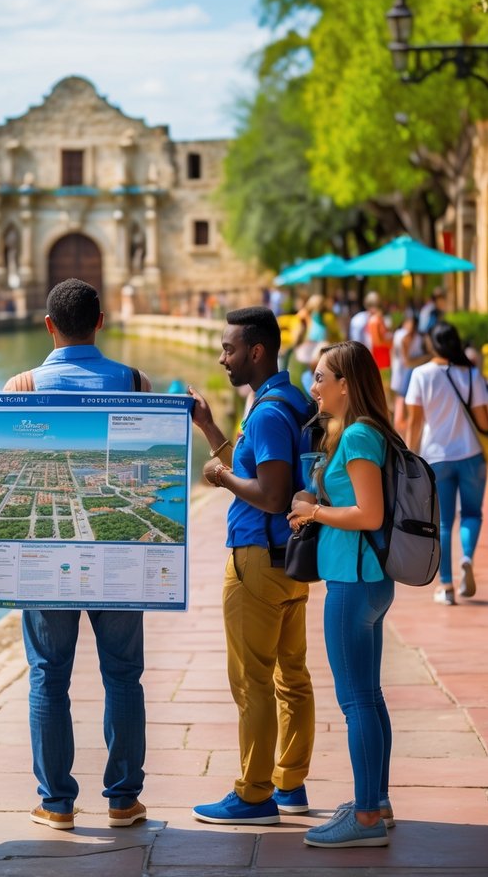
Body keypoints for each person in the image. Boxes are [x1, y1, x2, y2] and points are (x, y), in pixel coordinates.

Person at [2, 278, 152, 831]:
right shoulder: (135, 381)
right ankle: (123, 800)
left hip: (45, 559)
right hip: (119, 558)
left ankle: (57, 803)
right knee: (122, 677)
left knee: (48, 675)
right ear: (101, 322)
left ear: (48, 326)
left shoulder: (24, 386)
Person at [188, 306, 315, 826]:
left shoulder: (265, 413)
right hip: (291, 559)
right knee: (292, 677)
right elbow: (255, 468)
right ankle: (289, 783)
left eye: (229, 349)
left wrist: (219, 478)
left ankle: (254, 793)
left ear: (256, 351)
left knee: (252, 683)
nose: (223, 358)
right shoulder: (290, 400)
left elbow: (270, 492)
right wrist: (209, 426)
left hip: (257, 562)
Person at [288, 340, 398, 849]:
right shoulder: (363, 431)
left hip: (354, 582)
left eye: (320, 377)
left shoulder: (357, 435)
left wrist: (313, 513)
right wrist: (318, 498)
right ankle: (375, 800)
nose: (313, 386)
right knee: (369, 697)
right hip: (367, 580)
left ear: (346, 385)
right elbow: (356, 501)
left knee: (356, 700)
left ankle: (368, 816)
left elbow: (368, 515)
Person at [405, 321, 488, 605]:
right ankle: (466, 558)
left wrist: (410, 457)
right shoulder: (472, 374)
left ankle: (446, 586)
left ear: (433, 343)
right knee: (472, 514)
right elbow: (483, 422)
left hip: (436, 457)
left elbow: (415, 423)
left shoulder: (421, 374)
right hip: (472, 455)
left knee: (441, 522)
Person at [389, 307, 429, 437]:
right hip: (405, 372)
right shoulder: (403, 337)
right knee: (403, 401)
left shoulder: (416, 337)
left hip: (407, 372)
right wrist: (424, 358)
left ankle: (404, 430)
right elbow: (407, 361)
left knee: (406, 402)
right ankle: (401, 430)